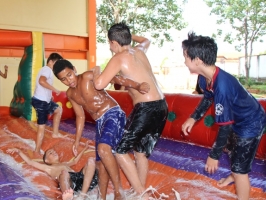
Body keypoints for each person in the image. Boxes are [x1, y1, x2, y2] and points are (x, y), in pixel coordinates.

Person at [181, 32, 266, 200]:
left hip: (251, 122)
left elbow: (225, 126)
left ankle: (238, 178)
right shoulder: (204, 78)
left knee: (240, 168)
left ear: (197, 60)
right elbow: (207, 98)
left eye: (185, 57)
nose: (184, 61)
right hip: (237, 118)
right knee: (232, 149)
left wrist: (214, 156)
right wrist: (193, 117)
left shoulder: (223, 86)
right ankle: (233, 175)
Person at [53, 59, 149, 199]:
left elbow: (114, 78)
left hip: (113, 113)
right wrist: (76, 140)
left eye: (69, 75)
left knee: (104, 149)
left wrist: (137, 85)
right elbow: (80, 117)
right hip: (100, 122)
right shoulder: (70, 94)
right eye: (63, 79)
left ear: (74, 69)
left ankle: (118, 191)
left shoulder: (87, 76)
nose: (68, 80)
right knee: (100, 163)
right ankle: (102, 197)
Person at [92, 22, 168, 198]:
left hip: (146, 108)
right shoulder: (140, 50)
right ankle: (139, 191)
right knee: (140, 152)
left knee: (119, 150)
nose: (110, 47)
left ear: (114, 43)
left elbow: (99, 84)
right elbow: (146, 40)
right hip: (162, 106)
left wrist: (96, 72)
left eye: (110, 43)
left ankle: (142, 194)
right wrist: (128, 35)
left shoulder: (119, 57)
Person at [6, 141, 98, 200]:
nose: (53, 152)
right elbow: (30, 162)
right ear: (46, 160)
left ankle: (83, 195)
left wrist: (85, 148)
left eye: (53, 151)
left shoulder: (65, 163)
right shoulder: (48, 168)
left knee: (91, 160)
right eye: (50, 153)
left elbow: (75, 161)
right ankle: (68, 197)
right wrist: (18, 151)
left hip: (80, 179)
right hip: (69, 183)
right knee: (64, 173)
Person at [32, 53, 66, 154]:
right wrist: (54, 89)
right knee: (41, 127)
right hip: (40, 102)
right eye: (56, 63)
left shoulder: (46, 70)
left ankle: (55, 133)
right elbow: (42, 81)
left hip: (44, 100)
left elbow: (42, 85)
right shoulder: (47, 69)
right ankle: (37, 151)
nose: (57, 67)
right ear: (50, 61)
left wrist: (49, 94)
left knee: (58, 109)